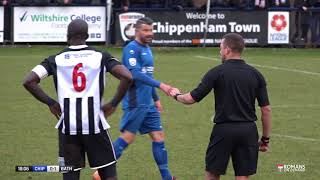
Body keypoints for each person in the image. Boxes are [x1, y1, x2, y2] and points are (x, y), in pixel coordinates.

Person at [22, 19, 133, 180]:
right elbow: (127, 76)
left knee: (70, 175)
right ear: (87, 36)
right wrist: (113, 103)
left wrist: (50, 102)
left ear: (67, 36)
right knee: (108, 175)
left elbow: (28, 81)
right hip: (95, 125)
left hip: (67, 128)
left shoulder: (55, 59)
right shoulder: (101, 56)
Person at [170, 33, 271, 180]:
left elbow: (191, 98)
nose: (219, 51)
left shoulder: (217, 72)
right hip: (248, 131)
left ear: (227, 50)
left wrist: (176, 95)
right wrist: (265, 139)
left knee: (212, 173)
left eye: (220, 48)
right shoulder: (256, 74)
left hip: (224, 131)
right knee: (243, 176)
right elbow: (266, 110)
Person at [92, 17, 176, 180]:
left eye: (151, 30)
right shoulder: (131, 49)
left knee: (158, 137)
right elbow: (135, 74)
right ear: (137, 31)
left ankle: (167, 178)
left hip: (148, 103)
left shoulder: (147, 48)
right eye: (145, 30)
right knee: (127, 138)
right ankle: (100, 173)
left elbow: (148, 75)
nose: (149, 33)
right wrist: (162, 86)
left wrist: (156, 98)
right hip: (135, 101)